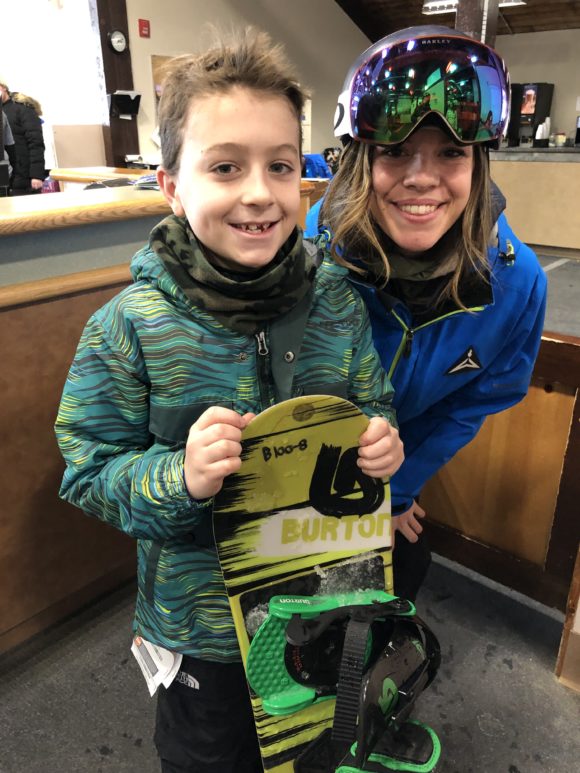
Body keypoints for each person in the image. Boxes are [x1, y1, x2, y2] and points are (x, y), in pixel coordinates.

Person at [54, 29, 404, 773]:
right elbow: (87, 470)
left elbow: (378, 405)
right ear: (172, 186)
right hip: (201, 629)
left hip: (320, 606)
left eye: (280, 166)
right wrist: (176, 475)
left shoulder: (337, 300)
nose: (257, 191)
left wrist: (383, 445)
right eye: (224, 166)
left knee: (316, 749)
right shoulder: (130, 327)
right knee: (208, 757)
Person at [305, 26, 547, 601]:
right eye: (394, 150)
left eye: (450, 153)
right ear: (363, 159)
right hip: (299, 467)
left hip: (392, 469)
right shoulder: (316, 250)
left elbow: (477, 399)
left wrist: (397, 490)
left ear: (478, 164)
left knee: (401, 569)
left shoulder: (516, 286)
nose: (421, 177)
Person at [0, 81, 46, 194]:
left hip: (24, 177)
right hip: (5, 176)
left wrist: (36, 175)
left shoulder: (22, 108)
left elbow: (36, 142)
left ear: (3, 87)